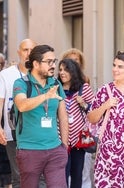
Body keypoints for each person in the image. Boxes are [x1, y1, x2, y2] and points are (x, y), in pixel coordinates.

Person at [13, 45, 69, 188]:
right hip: (29, 150)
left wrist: (64, 145)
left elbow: (63, 116)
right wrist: (46, 96)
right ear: (36, 64)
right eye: (49, 62)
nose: (53, 66)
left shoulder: (55, 83)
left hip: (55, 149)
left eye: (54, 61)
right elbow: (22, 105)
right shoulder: (21, 83)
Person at [0, 39, 36, 188]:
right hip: (13, 134)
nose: (29, 54)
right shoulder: (6, 75)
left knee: (38, 177)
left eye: (31, 50)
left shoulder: (41, 74)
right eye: (25, 50)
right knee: (18, 177)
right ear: (19, 52)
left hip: (38, 134)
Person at [87, 51, 124, 187]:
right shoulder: (105, 91)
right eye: (114, 65)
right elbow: (91, 118)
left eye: (120, 67)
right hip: (108, 154)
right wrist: (105, 106)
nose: (115, 69)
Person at [57, 58, 94, 187]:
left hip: (79, 139)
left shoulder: (84, 88)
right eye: (60, 69)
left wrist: (83, 103)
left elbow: (94, 110)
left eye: (66, 70)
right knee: (62, 174)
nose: (62, 72)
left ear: (73, 71)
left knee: (77, 174)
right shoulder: (56, 89)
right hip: (61, 139)